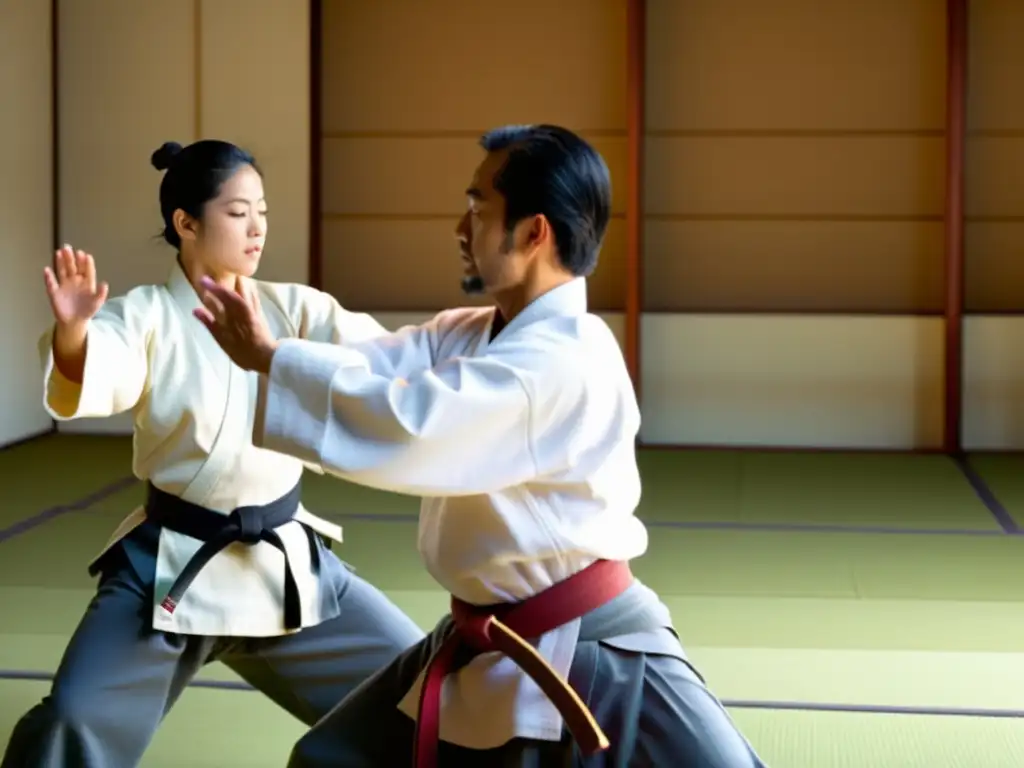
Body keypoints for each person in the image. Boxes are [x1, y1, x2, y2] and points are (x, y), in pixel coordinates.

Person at [196, 125, 767, 767]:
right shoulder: (476, 333)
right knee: (332, 758)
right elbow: (380, 367)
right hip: (484, 635)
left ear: (534, 232)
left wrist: (276, 360)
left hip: (593, 647)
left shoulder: (563, 360)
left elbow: (415, 423)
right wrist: (276, 355)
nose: (461, 230)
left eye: (477, 210)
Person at [0, 139, 426, 768]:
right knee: (73, 720)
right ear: (186, 222)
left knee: (425, 694)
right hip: (171, 564)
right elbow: (97, 368)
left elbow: (387, 358)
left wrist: (474, 350)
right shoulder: (146, 314)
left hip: (285, 566)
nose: (256, 228)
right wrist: (73, 333)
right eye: (237, 212)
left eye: (263, 211)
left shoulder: (296, 308)